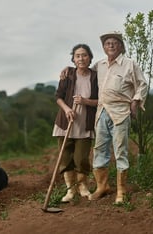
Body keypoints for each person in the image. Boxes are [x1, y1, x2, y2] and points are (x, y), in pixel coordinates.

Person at [61, 31, 148, 204]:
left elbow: (142, 84)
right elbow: (83, 70)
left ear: (121, 46)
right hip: (101, 112)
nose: (111, 46)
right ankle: (102, 187)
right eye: (107, 43)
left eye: (114, 43)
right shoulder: (99, 65)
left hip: (120, 112)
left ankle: (121, 192)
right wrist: (69, 69)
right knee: (100, 149)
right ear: (103, 47)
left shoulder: (129, 64)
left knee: (120, 151)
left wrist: (136, 101)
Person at [52, 43, 98, 202]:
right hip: (66, 123)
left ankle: (83, 187)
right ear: (73, 59)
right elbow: (58, 97)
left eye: (84, 55)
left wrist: (86, 101)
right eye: (77, 56)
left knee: (81, 158)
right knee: (65, 158)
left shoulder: (96, 76)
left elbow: (102, 101)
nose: (81, 58)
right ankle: (70, 190)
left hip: (85, 124)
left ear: (90, 58)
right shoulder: (68, 75)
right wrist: (66, 109)